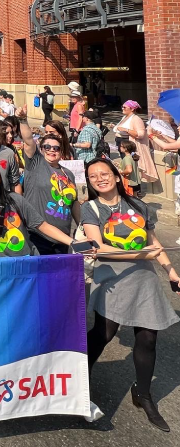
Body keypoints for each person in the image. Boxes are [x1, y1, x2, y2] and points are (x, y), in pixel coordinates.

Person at [81, 158, 179, 432]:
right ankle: (77, 382)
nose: (99, 178)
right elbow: (99, 248)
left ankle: (143, 394)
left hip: (142, 278)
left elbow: (153, 243)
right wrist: (139, 254)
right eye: (93, 176)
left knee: (148, 338)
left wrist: (171, 272)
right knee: (103, 335)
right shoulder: (91, 208)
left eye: (104, 173)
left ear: (115, 175)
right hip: (111, 279)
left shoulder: (138, 205)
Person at [0, 159, 77, 257]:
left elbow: (41, 225)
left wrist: (73, 242)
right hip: (1, 267)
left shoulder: (15, 198)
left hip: (29, 260)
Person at [18, 115, 80, 255]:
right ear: (41, 149)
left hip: (62, 240)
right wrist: (22, 120)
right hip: (37, 237)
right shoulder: (36, 164)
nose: (52, 150)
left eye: (56, 148)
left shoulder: (68, 173)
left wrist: (83, 228)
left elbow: (74, 204)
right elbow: (28, 141)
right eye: (47, 147)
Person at [113, 100, 158, 183]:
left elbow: (140, 134)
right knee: (124, 163)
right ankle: (127, 184)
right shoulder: (125, 117)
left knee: (129, 165)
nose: (122, 108)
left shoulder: (136, 119)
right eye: (122, 106)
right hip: (121, 142)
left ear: (132, 109)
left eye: (124, 107)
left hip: (127, 144)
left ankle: (134, 186)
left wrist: (126, 129)